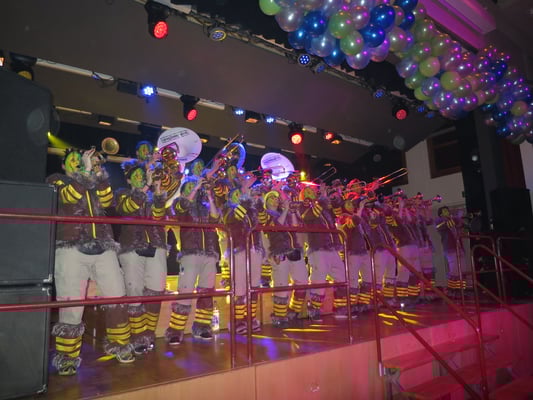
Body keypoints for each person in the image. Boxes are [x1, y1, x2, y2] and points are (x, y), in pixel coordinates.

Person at [47, 148, 134, 376]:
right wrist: (85, 172)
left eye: (80, 159)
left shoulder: (94, 183)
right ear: (64, 165)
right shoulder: (56, 180)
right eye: (73, 160)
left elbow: (107, 201)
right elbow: (68, 197)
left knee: (117, 296)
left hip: (103, 245)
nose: (78, 162)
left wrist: (99, 174)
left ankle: (120, 345)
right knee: (71, 304)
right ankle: (67, 357)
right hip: (70, 247)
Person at [115, 160, 167, 355]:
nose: (140, 178)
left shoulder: (152, 195)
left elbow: (159, 216)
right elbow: (127, 208)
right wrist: (146, 187)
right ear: (129, 180)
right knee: (135, 291)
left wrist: (158, 191)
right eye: (136, 176)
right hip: (132, 246)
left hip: (156, 245)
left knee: (156, 290)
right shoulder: (122, 193)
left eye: (142, 176)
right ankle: (138, 337)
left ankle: (148, 335)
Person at [165, 176, 221, 344]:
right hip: (189, 253)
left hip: (209, 254)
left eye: (195, 187)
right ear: (183, 192)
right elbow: (181, 207)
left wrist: (209, 195)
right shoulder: (180, 203)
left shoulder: (204, 206)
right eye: (189, 187)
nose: (194, 189)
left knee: (207, 292)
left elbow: (215, 218)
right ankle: (175, 330)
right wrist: (196, 188)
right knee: (185, 292)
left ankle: (202, 327)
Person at [258, 190, 308, 327]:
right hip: (278, 252)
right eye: (272, 197)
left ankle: (293, 311)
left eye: (277, 197)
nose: (275, 199)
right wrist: (286, 210)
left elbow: (295, 226)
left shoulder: (284, 213)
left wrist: (292, 211)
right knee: (281, 285)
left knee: (303, 281)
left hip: (294, 250)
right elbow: (276, 226)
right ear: (266, 201)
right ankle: (279, 316)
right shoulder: (264, 214)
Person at [435, 206, 469, 298]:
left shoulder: (453, 220)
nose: (448, 212)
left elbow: (463, 229)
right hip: (450, 248)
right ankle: (452, 291)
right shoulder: (439, 221)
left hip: (459, 248)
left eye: (448, 210)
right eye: (445, 211)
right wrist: (458, 217)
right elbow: (448, 224)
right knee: (454, 271)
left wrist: (461, 222)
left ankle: (461, 290)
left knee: (462, 270)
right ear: (440, 214)